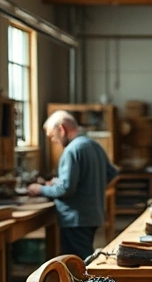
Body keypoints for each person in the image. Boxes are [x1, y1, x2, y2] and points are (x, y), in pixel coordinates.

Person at [28, 111, 118, 259]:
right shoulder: (93, 144)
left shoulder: (71, 150)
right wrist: (90, 186)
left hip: (76, 219)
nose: (54, 141)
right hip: (93, 214)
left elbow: (66, 189)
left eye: (53, 136)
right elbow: (112, 173)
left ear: (61, 129)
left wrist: (40, 189)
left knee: (78, 264)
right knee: (84, 258)